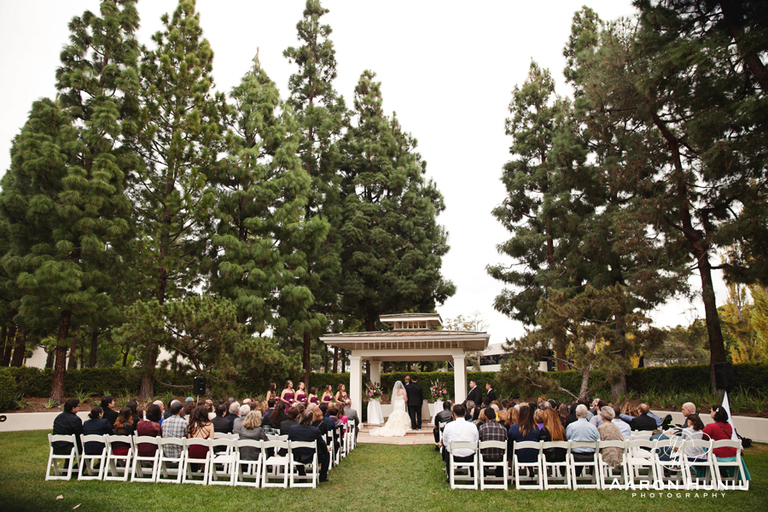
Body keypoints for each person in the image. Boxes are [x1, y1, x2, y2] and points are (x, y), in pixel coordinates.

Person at [438, 404, 478, 482]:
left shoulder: (448, 426)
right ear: (465, 413)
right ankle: (473, 475)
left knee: (446, 450)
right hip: (470, 456)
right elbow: (476, 440)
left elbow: (445, 442)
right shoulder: (472, 426)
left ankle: (450, 476)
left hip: (453, 455)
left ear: (454, 414)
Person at [288, 410, 330, 483]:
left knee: (297, 451)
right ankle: (322, 477)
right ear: (311, 419)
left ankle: (302, 475)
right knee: (326, 454)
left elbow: (289, 441)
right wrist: (326, 448)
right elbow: (321, 443)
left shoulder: (293, 428)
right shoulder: (315, 430)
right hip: (311, 456)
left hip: (297, 456)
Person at [565, 404, 600, 472]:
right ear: (587, 414)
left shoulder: (571, 427)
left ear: (576, 414)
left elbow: (567, 439)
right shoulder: (593, 428)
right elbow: (598, 440)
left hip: (575, 456)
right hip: (591, 456)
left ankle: (575, 473)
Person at [478, 407, 507, 477]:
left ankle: (483, 473)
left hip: (485, 456)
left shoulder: (482, 428)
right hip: (499, 457)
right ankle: (499, 472)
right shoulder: (503, 429)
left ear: (486, 417)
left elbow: (479, 441)